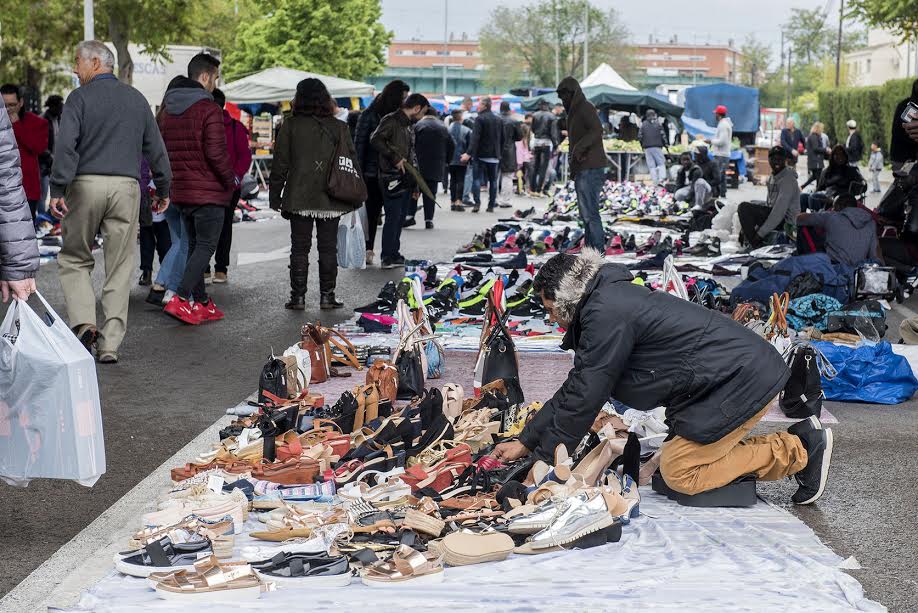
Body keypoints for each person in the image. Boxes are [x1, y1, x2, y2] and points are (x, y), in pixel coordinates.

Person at [491, 250, 833, 505]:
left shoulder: (605, 311)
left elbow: (586, 395)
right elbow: (579, 384)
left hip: (741, 380)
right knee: (672, 470)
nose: (551, 319)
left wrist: (546, 460)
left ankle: (800, 449)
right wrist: (528, 439)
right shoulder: (606, 302)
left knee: (680, 471)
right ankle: (797, 442)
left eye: (550, 310)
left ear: (567, 299)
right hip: (726, 380)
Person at [50, 41, 171, 363]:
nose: (75, 69)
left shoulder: (78, 99)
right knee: (120, 266)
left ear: (95, 62)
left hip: (85, 185)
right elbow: (156, 148)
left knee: (75, 258)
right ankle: (110, 344)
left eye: (77, 62)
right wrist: (163, 187)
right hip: (126, 187)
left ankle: (84, 322)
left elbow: (66, 146)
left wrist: (58, 188)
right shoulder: (136, 99)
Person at [157, 53, 236, 326]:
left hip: (180, 191)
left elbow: (160, 152)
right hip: (208, 192)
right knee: (205, 246)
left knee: (193, 247)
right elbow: (216, 153)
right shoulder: (209, 109)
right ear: (204, 77)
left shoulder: (167, 110)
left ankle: (201, 302)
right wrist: (230, 181)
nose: (215, 83)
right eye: (215, 77)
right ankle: (180, 298)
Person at [270, 78, 361, 310]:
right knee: (328, 247)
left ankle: (297, 297)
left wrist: (275, 195)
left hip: (299, 195)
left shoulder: (290, 125)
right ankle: (327, 296)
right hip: (331, 196)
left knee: (299, 248)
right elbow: (350, 161)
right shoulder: (339, 127)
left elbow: (280, 163)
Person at [370, 92, 429, 269]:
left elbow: (412, 155)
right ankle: (388, 256)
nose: (422, 116)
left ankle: (394, 254)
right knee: (393, 217)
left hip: (406, 178)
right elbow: (375, 139)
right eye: (423, 112)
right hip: (391, 177)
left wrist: (416, 182)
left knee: (399, 218)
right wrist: (394, 158)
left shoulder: (408, 125)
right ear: (417, 108)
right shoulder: (392, 120)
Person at [354, 80, 410, 265]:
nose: (405, 100)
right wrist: (358, 172)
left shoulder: (398, 118)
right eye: (403, 97)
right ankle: (369, 249)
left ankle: (389, 251)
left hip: (391, 173)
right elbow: (360, 144)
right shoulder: (370, 115)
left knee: (392, 214)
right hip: (373, 172)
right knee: (373, 212)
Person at [203, 88, 252, 284]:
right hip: (217, 185)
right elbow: (245, 156)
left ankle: (218, 268)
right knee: (220, 227)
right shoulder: (231, 126)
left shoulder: (234, 127)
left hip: (224, 186)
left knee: (214, 227)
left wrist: (235, 177)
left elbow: (244, 156)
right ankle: (212, 269)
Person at [557, 77, 607, 251]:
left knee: (590, 214)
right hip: (583, 167)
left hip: (590, 167)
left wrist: (579, 148)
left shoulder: (585, 108)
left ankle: (597, 251)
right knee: (587, 214)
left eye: (565, 96)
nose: (563, 100)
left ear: (573, 93)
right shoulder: (574, 111)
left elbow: (597, 130)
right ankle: (592, 249)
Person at [0, 105, 39, 301]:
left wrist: (18, 264)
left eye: (11, 104)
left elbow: (5, 175)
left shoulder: (34, 122)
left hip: (31, 185)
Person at [737, 147, 800, 249]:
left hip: (786, 222)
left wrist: (758, 235)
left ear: (785, 160)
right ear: (769, 160)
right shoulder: (773, 176)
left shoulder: (788, 179)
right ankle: (752, 242)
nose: (776, 161)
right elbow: (769, 205)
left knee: (744, 208)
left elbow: (778, 212)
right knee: (752, 203)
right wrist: (744, 228)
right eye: (773, 158)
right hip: (777, 217)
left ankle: (755, 245)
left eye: (780, 158)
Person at [1, 84, 49, 220]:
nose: (8, 109)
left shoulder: (38, 123)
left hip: (26, 189)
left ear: (21, 103)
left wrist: (16, 125)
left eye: (12, 104)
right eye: (4, 105)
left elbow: (38, 148)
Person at [797, 193, 879, 266]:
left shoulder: (832, 216)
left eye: (834, 206)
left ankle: (808, 264)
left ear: (839, 206)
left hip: (833, 266)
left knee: (804, 227)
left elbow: (799, 219)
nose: (832, 209)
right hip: (856, 269)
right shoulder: (870, 223)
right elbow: (875, 255)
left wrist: (820, 213)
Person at [407, 107, 452, 229]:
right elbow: (452, 145)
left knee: (414, 191)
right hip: (436, 166)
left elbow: (410, 144)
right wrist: (446, 161)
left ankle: (410, 215)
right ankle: (428, 220)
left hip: (418, 165)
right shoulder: (443, 127)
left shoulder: (417, 126)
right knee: (431, 194)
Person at [462, 96, 502, 213]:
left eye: (479, 104)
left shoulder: (480, 119)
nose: (477, 106)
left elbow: (475, 138)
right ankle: (491, 205)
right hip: (494, 155)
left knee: (477, 179)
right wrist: (499, 153)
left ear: (484, 106)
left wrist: (469, 153)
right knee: (493, 180)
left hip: (480, 154)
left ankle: (477, 203)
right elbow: (502, 138)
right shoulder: (498, 119)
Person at [138, 157, 171, 286]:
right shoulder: (143, 157)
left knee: (165, 245)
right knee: (146, 244)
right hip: (147, 212)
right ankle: (146, 272)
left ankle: (166, 272)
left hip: (163, 216)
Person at [802, 145, 865, 211]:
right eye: (836, 154)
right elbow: (820, 188)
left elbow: (862, 186)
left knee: (813, 197)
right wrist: (815, 191)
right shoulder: (827, 171)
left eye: (841, 154)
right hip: (826, 194)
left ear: (845, 156)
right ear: (832, 156)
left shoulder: (852, 170)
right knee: (803, 197)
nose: (839, 156)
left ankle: (817, 218)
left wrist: (853, 190)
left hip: (840, 198)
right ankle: (802, 220)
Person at [39, 95, 63, 217]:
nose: (62, 108)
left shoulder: (59, 119)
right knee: (42, 194)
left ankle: (52, 220)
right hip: (44, 164)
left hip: (56, 162)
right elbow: (39, 143)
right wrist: (49, 158)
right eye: (59, 106)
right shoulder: (42, 120)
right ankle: (42, 220)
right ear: (52, 106)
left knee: (57, 194)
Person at [497, 101, 523, 208]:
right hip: (509, 150)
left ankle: (493, 199)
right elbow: (519, 137)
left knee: (493, 176)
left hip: (495, 149)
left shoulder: (496, 120)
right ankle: (505, 200)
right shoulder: (514, 121)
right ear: (509, 109)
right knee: (507, 176)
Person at [529, 100, 557, 195]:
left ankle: (532, 189)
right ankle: (538, 190)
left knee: (535, 166)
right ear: (547, 106)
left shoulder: (535, 115)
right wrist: (556, 145)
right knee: (543, 168)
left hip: (537, 142)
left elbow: (532, 129)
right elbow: (553, 133)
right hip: (546, 143)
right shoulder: (551, 116)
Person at [447, 108, 471, 212]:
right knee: (461, 180)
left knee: (452, 180)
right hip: (462, 158)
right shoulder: (466, 130)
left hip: (450, 159)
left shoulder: (447, 129)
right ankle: (458, 201)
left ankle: (452, 202)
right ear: (461, 117)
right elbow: (470, 145)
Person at [638, 109, 667, 185]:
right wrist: (666, 144)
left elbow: (640, 136)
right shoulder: (658, 124)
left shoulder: (643, 124)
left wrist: (642, 145)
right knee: (661, 163)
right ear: (654, 115)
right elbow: (663, 135)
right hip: (657, 146)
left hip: (647, 147)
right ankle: (662, 179)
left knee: (651, 165)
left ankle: (655, 181)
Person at [710, 105, 732, 197]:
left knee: (718, 175)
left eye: (716, 113)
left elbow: (722, 141)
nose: (715, 115)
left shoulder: (723, 125)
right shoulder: (725, 124)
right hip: (723, 154)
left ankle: (718, 194)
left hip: (721, 154)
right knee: (722, 175)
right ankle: (722, 193)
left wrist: (710, 141)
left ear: (718, 114)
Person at [802, 122, 826, 189]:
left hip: (815, 160)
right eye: (822, 129)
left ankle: (803, 187)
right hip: (816, 161)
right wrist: (825, 149)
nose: (822, 130)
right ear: (818, 129)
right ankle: (818, 191)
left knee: (816, 176)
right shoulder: (814, 137)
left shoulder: (814, 136)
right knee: (818, 177)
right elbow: (816, 148)